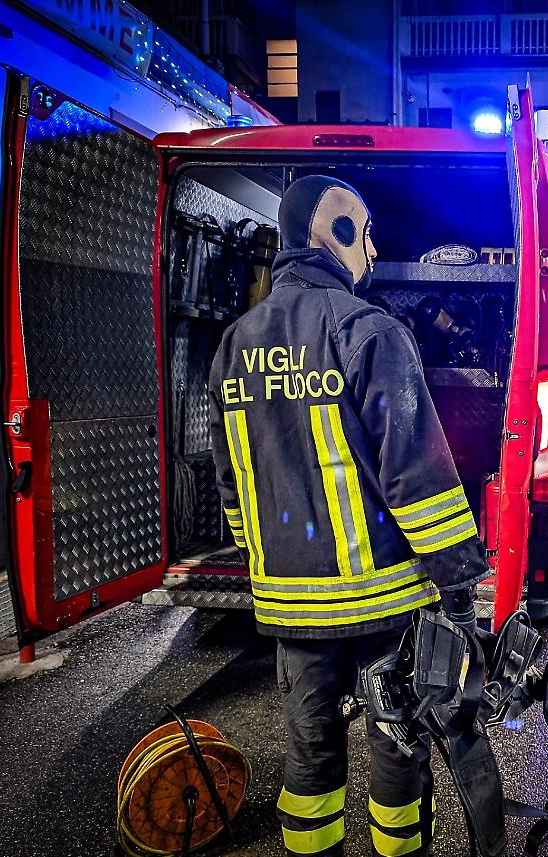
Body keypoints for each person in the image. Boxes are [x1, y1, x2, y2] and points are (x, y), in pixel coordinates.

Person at [208, 175, 487, 857]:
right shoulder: (370, 331)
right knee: (395, 750)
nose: (370, 249)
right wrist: (457, 590)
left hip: (289, 606)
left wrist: (264, 558)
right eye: (363, 233)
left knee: (308, 764)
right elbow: (417, 477)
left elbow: (233, 482)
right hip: (383, 606)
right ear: (333, 235)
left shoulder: (234, 345)